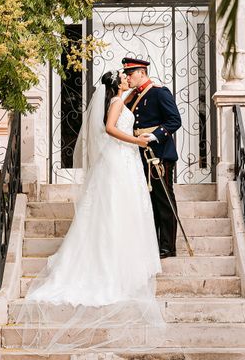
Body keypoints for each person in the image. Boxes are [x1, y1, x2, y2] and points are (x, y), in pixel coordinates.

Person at [14, 70, 165, 352]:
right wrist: (138, 141)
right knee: (115, 211)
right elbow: (110, 128)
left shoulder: (120, 98)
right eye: (124, 76)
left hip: (122, 159)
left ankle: (121, 261)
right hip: (121, 158)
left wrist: (145, 89)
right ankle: (113, 268)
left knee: (118, 212)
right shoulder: (117, 103)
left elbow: (127, 103)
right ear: (117, 84)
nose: (127, 77)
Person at [122, 57, 182, 259]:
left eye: (131, 74)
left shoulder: (159, 92)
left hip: (159, 154)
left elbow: (174, 120)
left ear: (142, 72)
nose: (128, 78)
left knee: (163, 199)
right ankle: (154, 244)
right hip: (139, 152)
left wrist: (155, 135)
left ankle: (168, 246)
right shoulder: (133, 96)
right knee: (148, 201)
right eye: (127, 74)